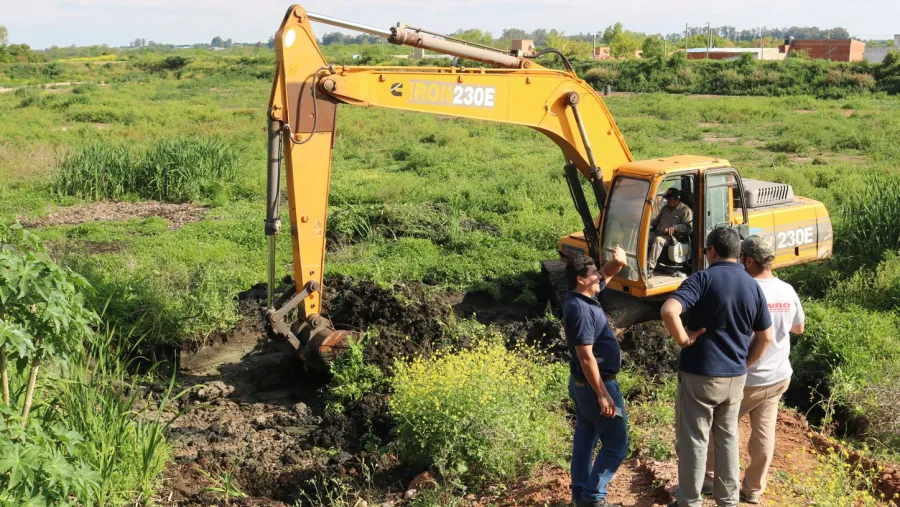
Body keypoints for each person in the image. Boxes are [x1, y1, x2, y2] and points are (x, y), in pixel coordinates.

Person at [660, 227, 774, 507]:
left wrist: (684, 339)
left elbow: (668, 310)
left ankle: (689, 500)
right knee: (727, 438)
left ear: (711, 250)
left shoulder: (701, 279)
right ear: (738, 253)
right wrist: (744, 365)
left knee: (695, 439)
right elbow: (766, 337)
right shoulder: (752, 286)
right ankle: (728, 500)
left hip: (701, 374)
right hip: (735, 378)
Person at [703, 235, 805, 504]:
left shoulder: (744, 288)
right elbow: (798, 328)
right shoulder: (787, 290)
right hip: (778, 375)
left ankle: (711, 478)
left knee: (720, 428)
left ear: (748, 260)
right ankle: (753, 489)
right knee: (764, 433)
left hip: (745, 375)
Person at [562, 247, 628, 507]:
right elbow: (585, 356)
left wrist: (617, 263)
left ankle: (580, 493)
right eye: (593, 274)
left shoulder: (583, 297)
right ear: (581, 279)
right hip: (595, 387)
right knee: (616, 443)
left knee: (586, 437)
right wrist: (603, 394)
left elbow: (606, 275)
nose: (599, 278)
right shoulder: (580, 310)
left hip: (584, 386)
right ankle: (593, 497)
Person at [647, 188, 693, 277]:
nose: (668, 201)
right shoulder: (665, 208)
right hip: (658, 232)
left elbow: (688, 227)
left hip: (672, 237)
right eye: (667, 199)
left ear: (677, 200)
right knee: (643, 236)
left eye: (670, 199)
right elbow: (656, 221)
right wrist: (644, 222)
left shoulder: (685, 210)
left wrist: (675, 228)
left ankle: (650, 267)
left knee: (658, 240)